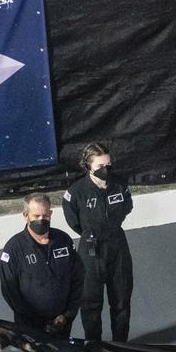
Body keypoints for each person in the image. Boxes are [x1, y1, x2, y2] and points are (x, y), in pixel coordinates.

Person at [63, 141, 134, 341]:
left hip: (117, 246)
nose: (106, 169)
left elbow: (127, 207)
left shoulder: (120, 184)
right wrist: (93, 232)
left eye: (108, 164)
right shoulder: (76, 192)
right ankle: (94, 346)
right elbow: (74, 222)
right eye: (100, 166)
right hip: (91, 250)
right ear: (88, 166)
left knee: (121, 300)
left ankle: (121, 345)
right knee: (90, 304)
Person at [0, 192, 83, 338]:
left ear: (50, 213)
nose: (41, 220)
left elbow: (78, 278)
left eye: (45, 216)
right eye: (36, 216)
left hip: (61, 324)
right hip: (29, 328)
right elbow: (10, 292)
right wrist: (35, 322)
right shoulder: (13, 249)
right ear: (26, 216)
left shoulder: (64, 240)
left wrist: (67, 315)